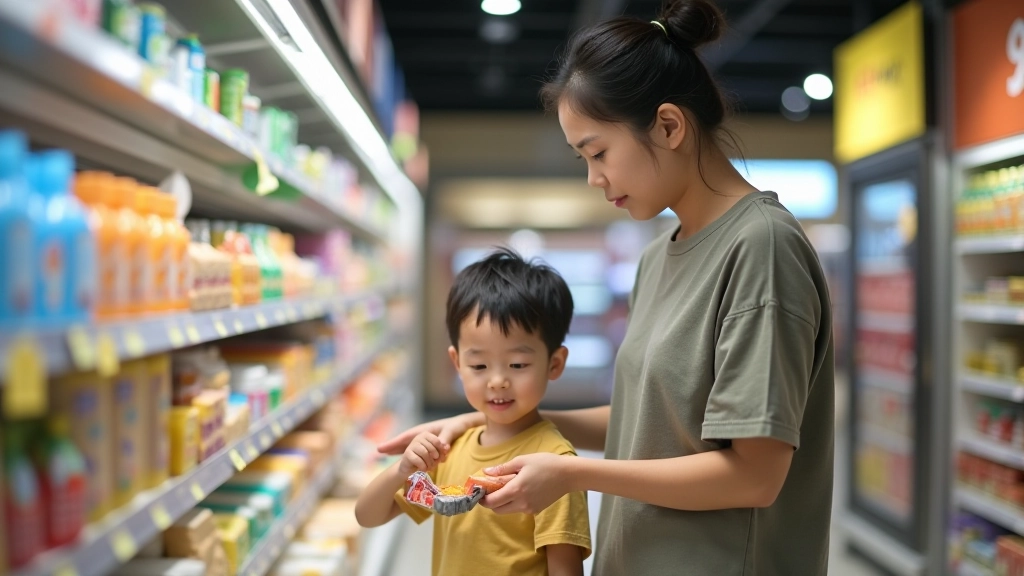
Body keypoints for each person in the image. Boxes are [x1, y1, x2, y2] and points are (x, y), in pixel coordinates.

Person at [379, 0, 835, 574]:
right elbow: (651, 420)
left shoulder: (761, 248)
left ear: (668, 126)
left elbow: (754, 475)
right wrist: (497, 423)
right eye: (583, 159)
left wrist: (572, 472)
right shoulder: (657, 257)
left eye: (598, 153)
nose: (594, 178)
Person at [355, 248, 591, 576]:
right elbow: (368, 516)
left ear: (555, 363)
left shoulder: (556, 466)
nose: (497, 381)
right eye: (479, 365)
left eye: (517, 364)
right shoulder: (449, 450)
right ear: (457, 363)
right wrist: (402, 470)